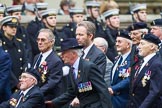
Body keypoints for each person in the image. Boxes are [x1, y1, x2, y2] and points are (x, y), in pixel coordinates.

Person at [45, 38, 111, 108]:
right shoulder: (71, 69)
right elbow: (71, 92)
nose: (61, 56)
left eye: (64, 53)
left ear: (73, 54)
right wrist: (53, 103)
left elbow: (103, 89)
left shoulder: (89, 67)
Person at [127, 33, 162, 108]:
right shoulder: (142, 61)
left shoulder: (156, 64)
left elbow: (155, 92)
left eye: (142, 44)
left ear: (152, 47)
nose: (139, 47)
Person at [33, 28, 64, 100]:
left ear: (52, 42)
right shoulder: (37, 57)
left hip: (47, 98)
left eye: (43, 40)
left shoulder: (56, 61)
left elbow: (51, 83)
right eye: (38, 40)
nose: (39, 42)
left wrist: (34, 93)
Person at [0, 16, 29, 92]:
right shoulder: (1, 44)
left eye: (15, 27)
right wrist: (16, 83)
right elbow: (5, 68)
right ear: (4, 28)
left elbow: (25, 61)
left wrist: (23, 78)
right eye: (11, 26)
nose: (14, 29)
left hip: (20, 82)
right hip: (6, 83)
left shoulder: (19, 43)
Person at [109, 30, 132, 108]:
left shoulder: (133, 60)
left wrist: (113, 88)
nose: (116, 44)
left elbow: (130, 79)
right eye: (116, 41)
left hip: (124, 100)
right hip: (113, 100)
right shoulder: (118, 58)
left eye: (119, 42)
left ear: (128, 44)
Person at [93, 37, 113, 108]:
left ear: (103, 49)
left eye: (94, 47)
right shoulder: (91, 60)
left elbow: (103, 84)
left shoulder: (108, 64)